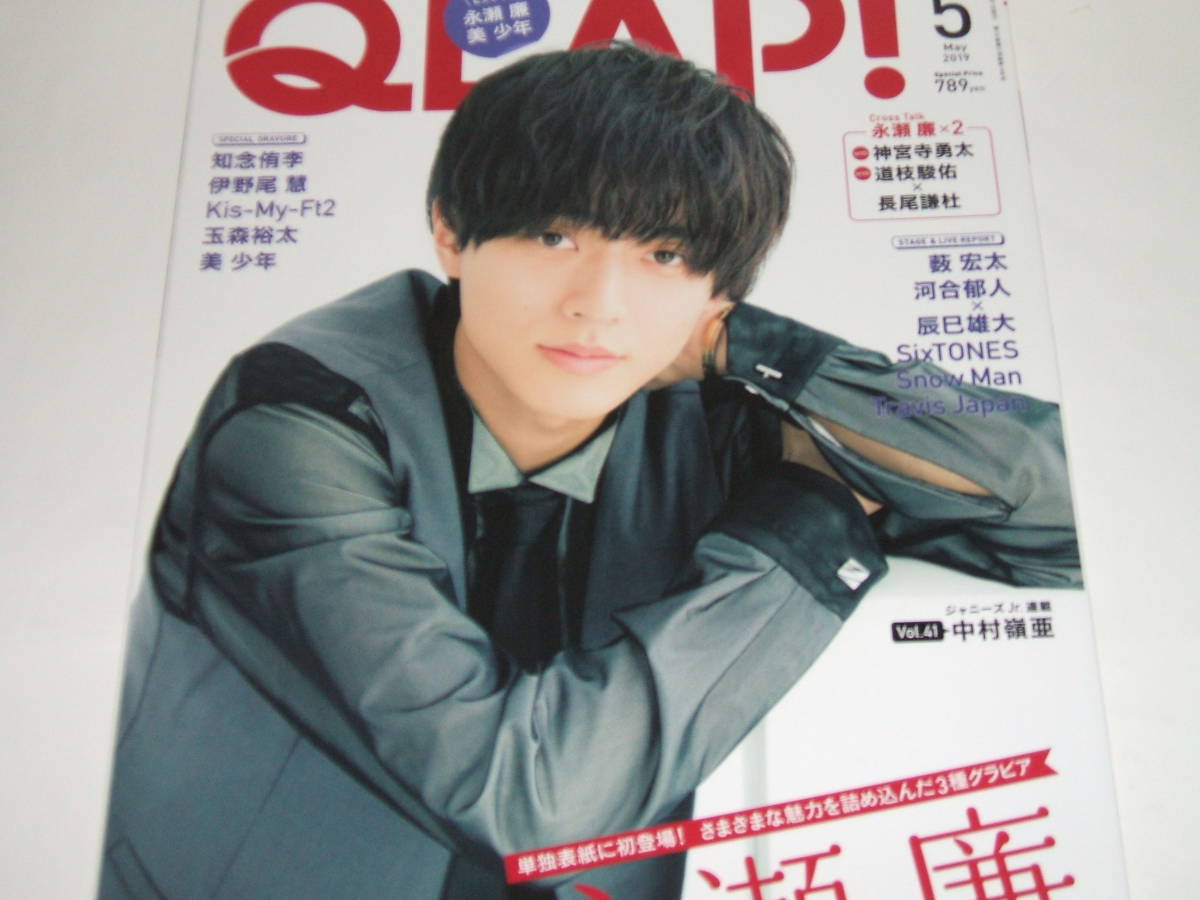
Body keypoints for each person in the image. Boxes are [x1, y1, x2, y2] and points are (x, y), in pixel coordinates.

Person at [99, 43, 1079, 899]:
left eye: (664, 254)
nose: (599, 305)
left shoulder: (714, 405)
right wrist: (811, 520)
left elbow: (1067, 500)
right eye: (554, 235)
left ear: (719, 293)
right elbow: (528, 809)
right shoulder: (294, 423)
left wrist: (761, 351)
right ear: (451, 231)